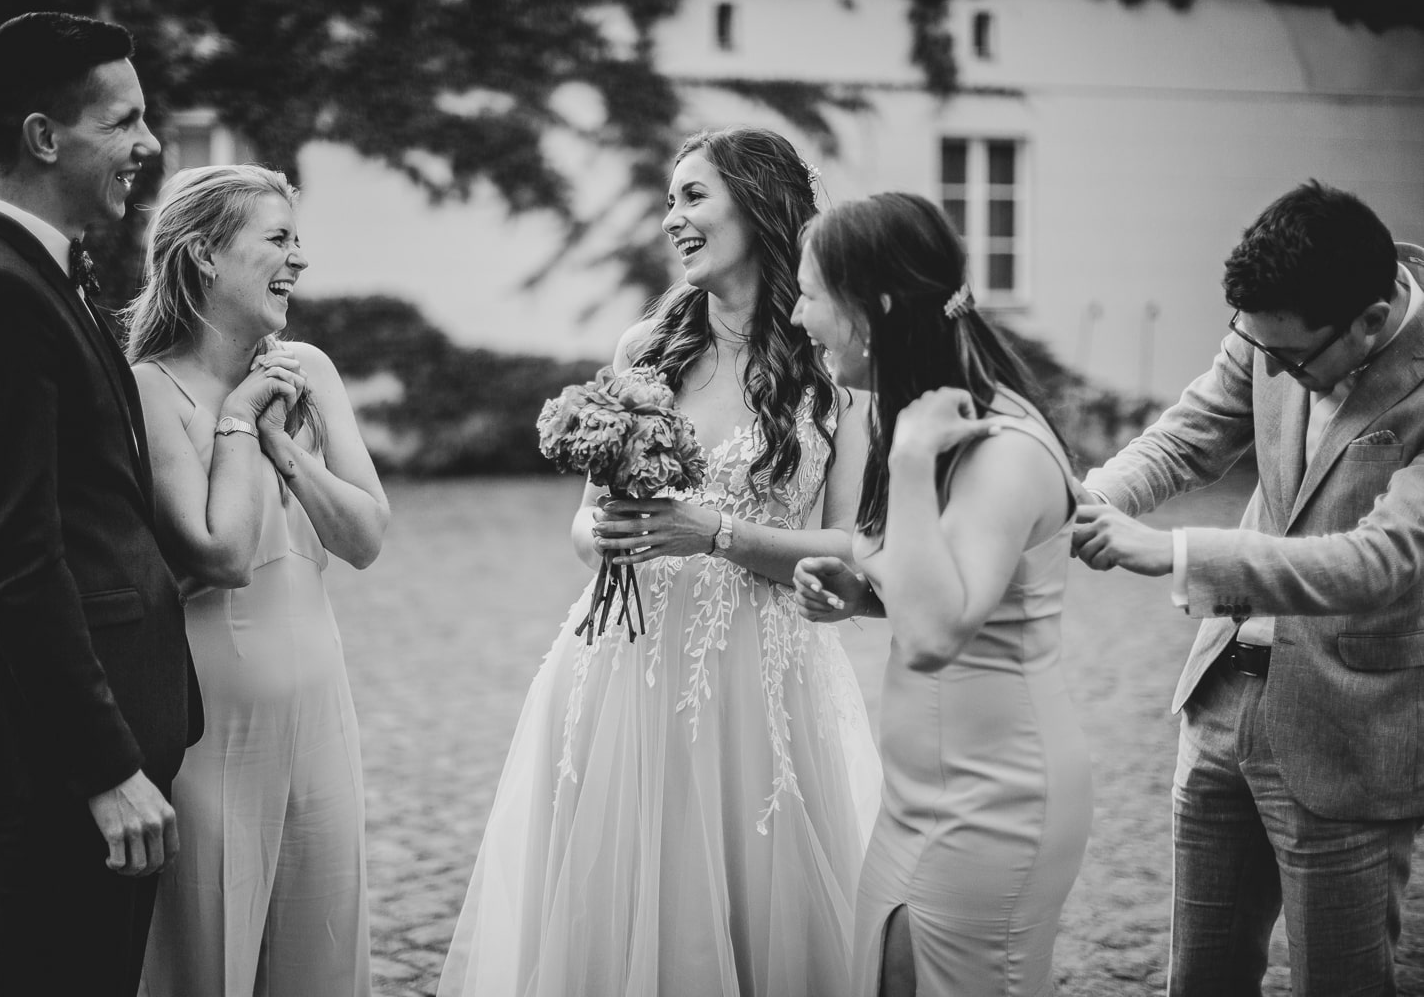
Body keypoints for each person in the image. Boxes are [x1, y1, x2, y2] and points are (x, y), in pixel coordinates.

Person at [438, 125, 881, 997]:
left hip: (760, 683)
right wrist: (605, 532)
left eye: (692, 196)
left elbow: (849, 547)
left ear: (757, 206)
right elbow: (583, 526)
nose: (672, 218)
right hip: (622, 673)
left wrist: (711, 532)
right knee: (617, 907)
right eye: (668, 199)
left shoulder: (832, 365)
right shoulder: (646, 349)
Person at [1071, 181, 1424, 995]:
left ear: (1370, 322)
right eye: (1252, 347)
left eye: (1289, 358)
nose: (1267, 368)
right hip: (1221, 696)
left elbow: (1380, 563)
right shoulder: (1275, 331)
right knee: (1200, 977)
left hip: (1351, 731)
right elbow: (1186, 438)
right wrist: (1086, 501)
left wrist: (1178, 554)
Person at [0, 12, 196, 997]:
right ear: (44, 137)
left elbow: (91, 505)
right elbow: (15, 559)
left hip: (106, 735)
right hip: (65, 768)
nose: (148, 144)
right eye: (121, 121)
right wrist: (104, 768)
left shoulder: (47, 280)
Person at [791, 192, 1093, 997]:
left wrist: (913, 467)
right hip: (917, 796)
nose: (796, 314)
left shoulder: (1001, 448)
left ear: (875, 307)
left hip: (996, 799)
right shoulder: (911, 417)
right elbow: (940, 583)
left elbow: (935, 637)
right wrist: (861, 592)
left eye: (812, 293)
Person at [122, 164, 389, 997]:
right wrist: (240, 417)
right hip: (209, 730)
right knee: (212, 953)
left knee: (321, 948)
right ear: (203, 255)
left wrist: (284, 449)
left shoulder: (308, 368)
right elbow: (215, 557)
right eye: (277, 239)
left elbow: (366, 536)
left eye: (297, 241)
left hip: (320, 710)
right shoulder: (150, 389)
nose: (297, 261)